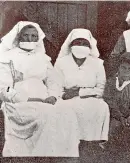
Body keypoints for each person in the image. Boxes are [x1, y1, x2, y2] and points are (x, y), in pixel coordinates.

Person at [0, 21, 80, 157]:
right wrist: (29, 99)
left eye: (33, 36)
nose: (30, 39)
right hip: (19, 102)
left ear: (38, 39)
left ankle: (63, 156)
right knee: (46, 115)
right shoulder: (7, 57)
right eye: (26, 35)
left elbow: (53, 80)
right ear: (18, 37)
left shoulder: (42, 58)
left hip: (45, 99)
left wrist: (53, 96)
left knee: (68, 113)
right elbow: (3, 88)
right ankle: (41, 156)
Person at [54, 28, 109, 142]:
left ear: (90, 47)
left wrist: (79, 92)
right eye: (78, 42)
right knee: (61, 108)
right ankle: (67, 140)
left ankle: (92, 142)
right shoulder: (61, 62)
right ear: (71, 45)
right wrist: (63, 95)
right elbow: (55, 84)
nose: (81, 46)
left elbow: (101, 89)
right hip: (66, 98)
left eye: (85, 44)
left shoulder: (98, 63)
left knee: (102, 107)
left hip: (90, 98)